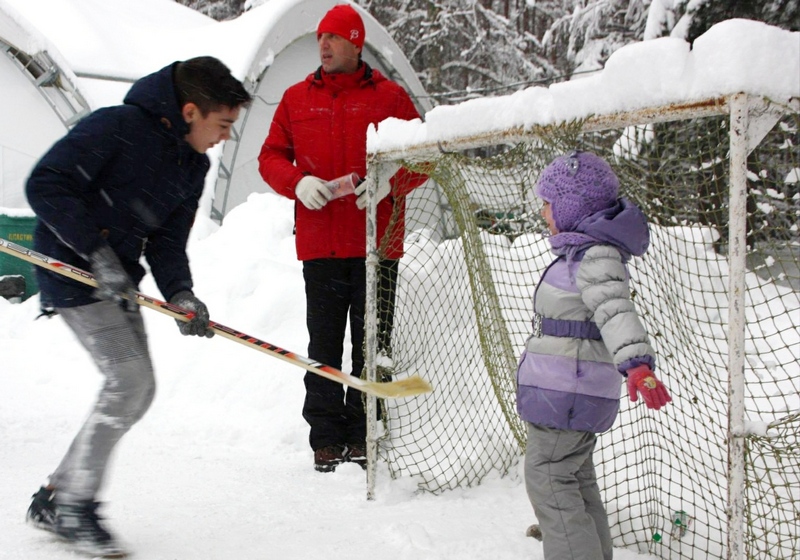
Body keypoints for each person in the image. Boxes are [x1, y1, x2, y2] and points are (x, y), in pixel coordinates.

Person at [23, 56, 251, 557]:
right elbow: (45, 184)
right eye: (223, 124)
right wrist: (96, 252)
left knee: (138, 390)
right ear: (191, 111)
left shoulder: (193, 165)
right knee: (128, 382)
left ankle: (56, 495)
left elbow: (167, 243)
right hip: (72, 268)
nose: (226, 138)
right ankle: (74, 508)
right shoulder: (117, 126)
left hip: (118, 278)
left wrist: (182, 294)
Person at [258, 4, 427, 473]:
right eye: (319, 40)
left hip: (378, 248)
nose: (324, 47)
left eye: (333, 39)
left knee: (372, 345)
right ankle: (327, 437)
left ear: (356, 43)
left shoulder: (391, 98)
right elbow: (269, 156)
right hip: (322, 248)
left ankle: (364, 432)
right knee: (325, 346)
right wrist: (296, 183)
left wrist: (391, 180)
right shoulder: (296, 99)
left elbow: (426, 157)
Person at [516, 151, 672, 559]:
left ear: (572, 206)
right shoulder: (581, 253)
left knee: (548, 478)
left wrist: (637, 364)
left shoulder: (594, 256)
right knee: (576, 478)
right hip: (569, 389)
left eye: (549, 202)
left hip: (567, 391)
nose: (543, 210)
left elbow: (616, 310)